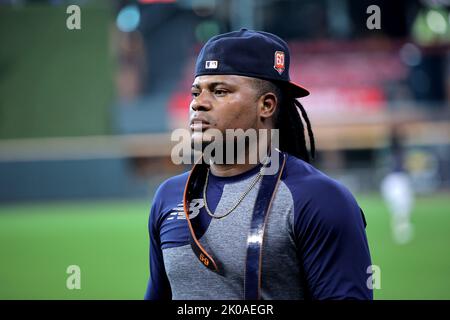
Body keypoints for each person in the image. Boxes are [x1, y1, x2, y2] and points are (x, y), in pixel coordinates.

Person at [145, 29, 372, 300]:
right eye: (196, 91)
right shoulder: (169, 197)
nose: (198, 104)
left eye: (219, 91)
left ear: (266, 105)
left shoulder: (319, 200)